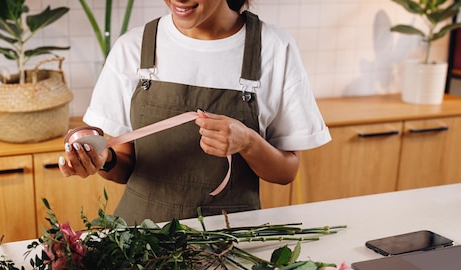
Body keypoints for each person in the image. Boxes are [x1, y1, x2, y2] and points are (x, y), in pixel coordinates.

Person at [59, 0, 331, 224]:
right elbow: (124, 169)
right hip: (141, 240)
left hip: (230, 244)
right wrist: (104, 160)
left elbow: (286, 173)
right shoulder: (133, 48)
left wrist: (248, 142)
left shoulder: (274, 49)